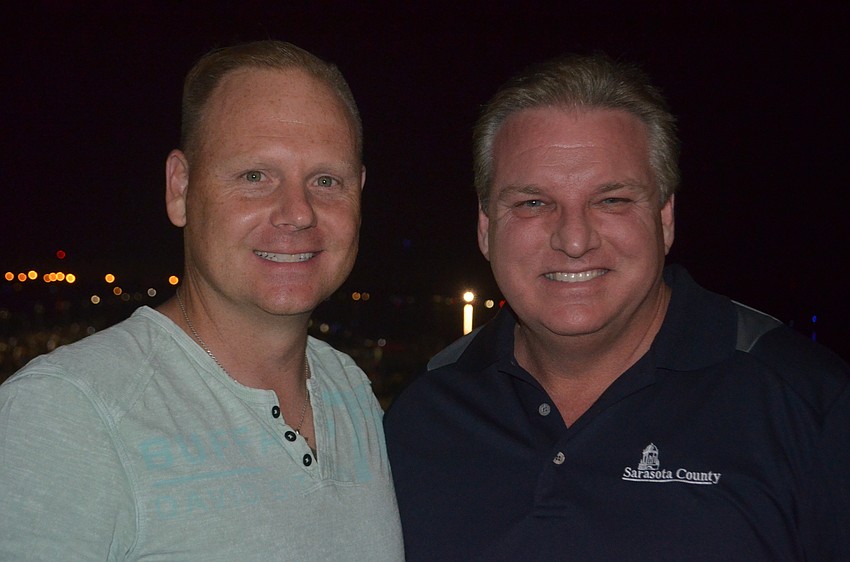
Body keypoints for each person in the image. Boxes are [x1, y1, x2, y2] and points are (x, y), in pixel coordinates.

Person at [384, 53, 850, 561]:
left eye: (611, 200)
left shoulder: (809, 406)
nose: (575, 239)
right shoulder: (424, 416)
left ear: (665, 217)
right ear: (485, 226)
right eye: (533, 203)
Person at [0, 40, 403, 560]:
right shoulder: (68, 414)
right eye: (255, 176)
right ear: (180, 188)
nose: (298, 212)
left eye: (327, 180)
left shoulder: (350, 390)